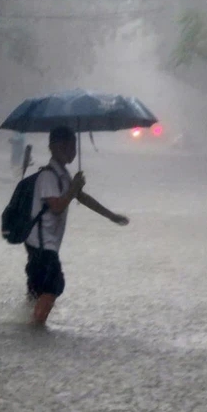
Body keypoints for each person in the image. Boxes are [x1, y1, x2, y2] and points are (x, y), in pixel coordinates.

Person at [25, 126, 129, 326]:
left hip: (43, 244)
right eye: (68, 146)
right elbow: (56, 206)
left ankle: (27, 331)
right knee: (53, 286)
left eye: (73, 146)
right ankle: (34, 331)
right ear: (54, 147)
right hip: (42, 245)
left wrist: (111, 216)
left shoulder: (62, 173)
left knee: (37, 289)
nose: (72, 151)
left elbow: (82, 198)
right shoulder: (48, 176)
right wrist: (73, 188)